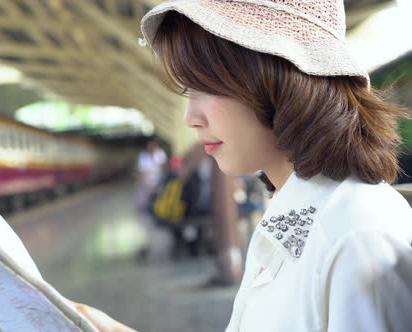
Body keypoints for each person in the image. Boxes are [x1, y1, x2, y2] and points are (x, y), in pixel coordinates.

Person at [74, 1, 412, 331]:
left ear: (279, 82)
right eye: (188, 91)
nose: (190, 118)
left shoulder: (356, 237)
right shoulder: (296, 212)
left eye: (206, 87)